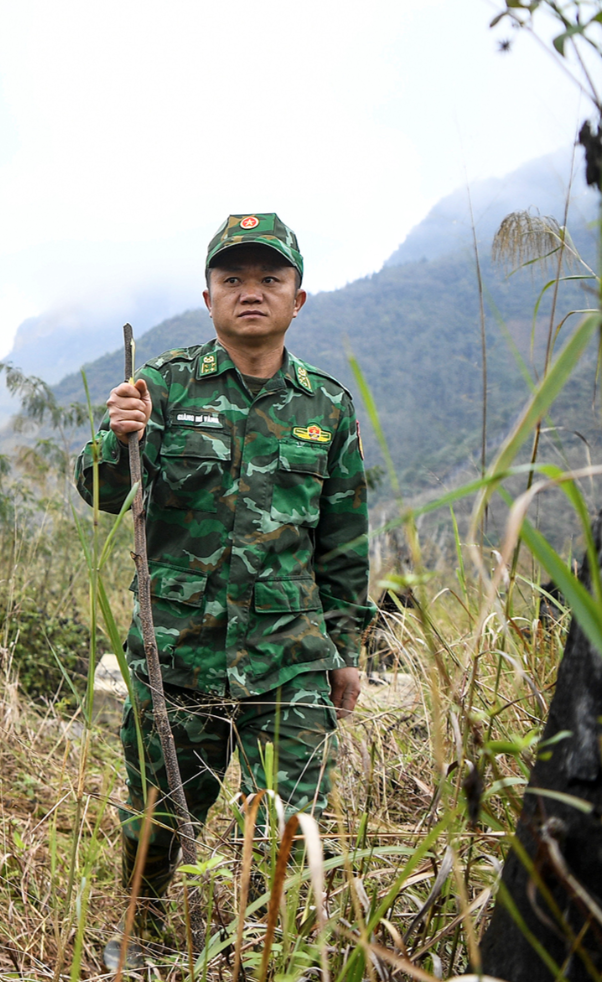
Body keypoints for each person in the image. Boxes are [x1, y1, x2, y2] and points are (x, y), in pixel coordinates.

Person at [74, 213, 373, 968]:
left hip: (291, 656)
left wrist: (347, 652)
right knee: (156, 813)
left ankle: (261, 948)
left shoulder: (327, 409)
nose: (251, 293)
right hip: (181, 650)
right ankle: (140, 933)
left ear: (297, 300)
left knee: (293, 818)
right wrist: (119, 435)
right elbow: (100, 489)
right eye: (232, 279)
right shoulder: (165, 387)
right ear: (207, 296)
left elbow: (343, 543)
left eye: (269, 280)